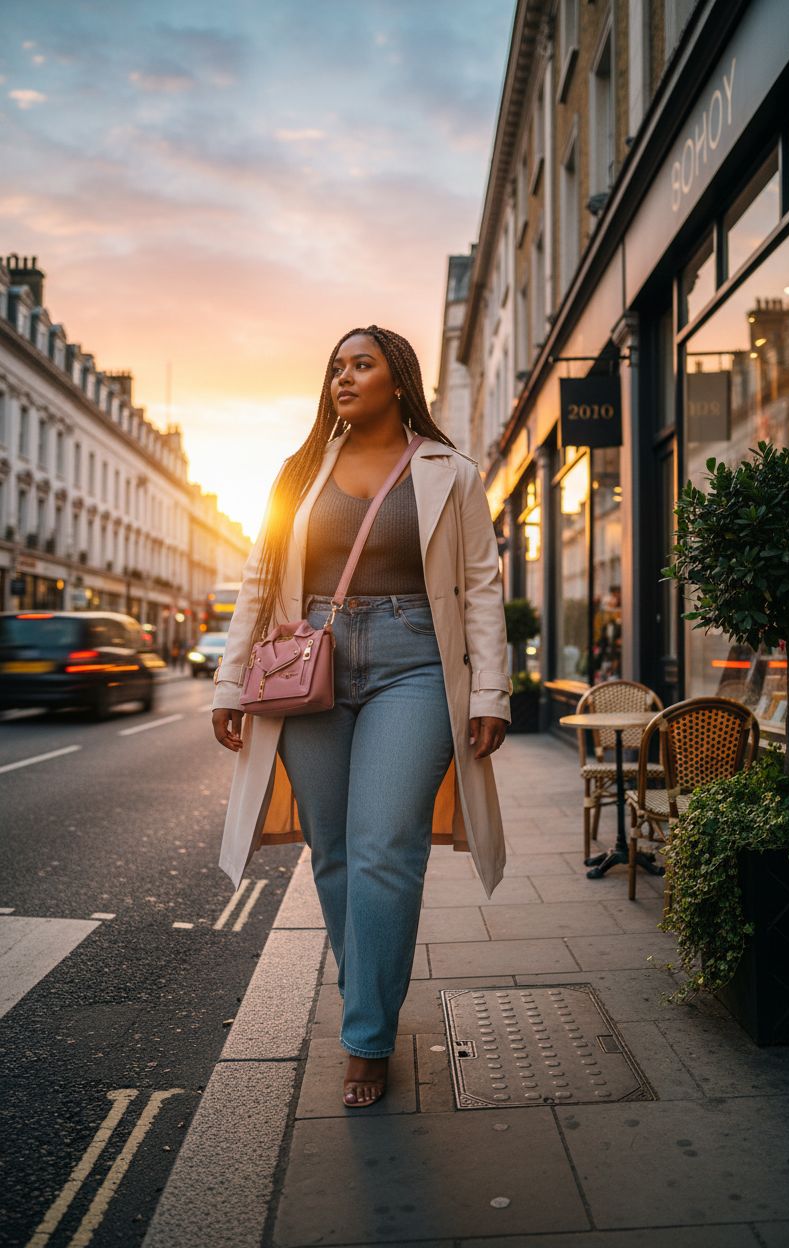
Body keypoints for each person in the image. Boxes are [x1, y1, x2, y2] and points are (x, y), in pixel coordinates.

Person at [210, 324, 511, 1108]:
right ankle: (366, 994)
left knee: (385, 846)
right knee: (334, 848)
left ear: (399, 381)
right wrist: (227, 681)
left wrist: (490, 693)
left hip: (415, 661)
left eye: (362, 364)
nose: (344, 377)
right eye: (337, 366)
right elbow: (257, 578)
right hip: (308, 659)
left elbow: (480, 586)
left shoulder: (450, 472)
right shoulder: (299, 472)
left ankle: (367, 1037)